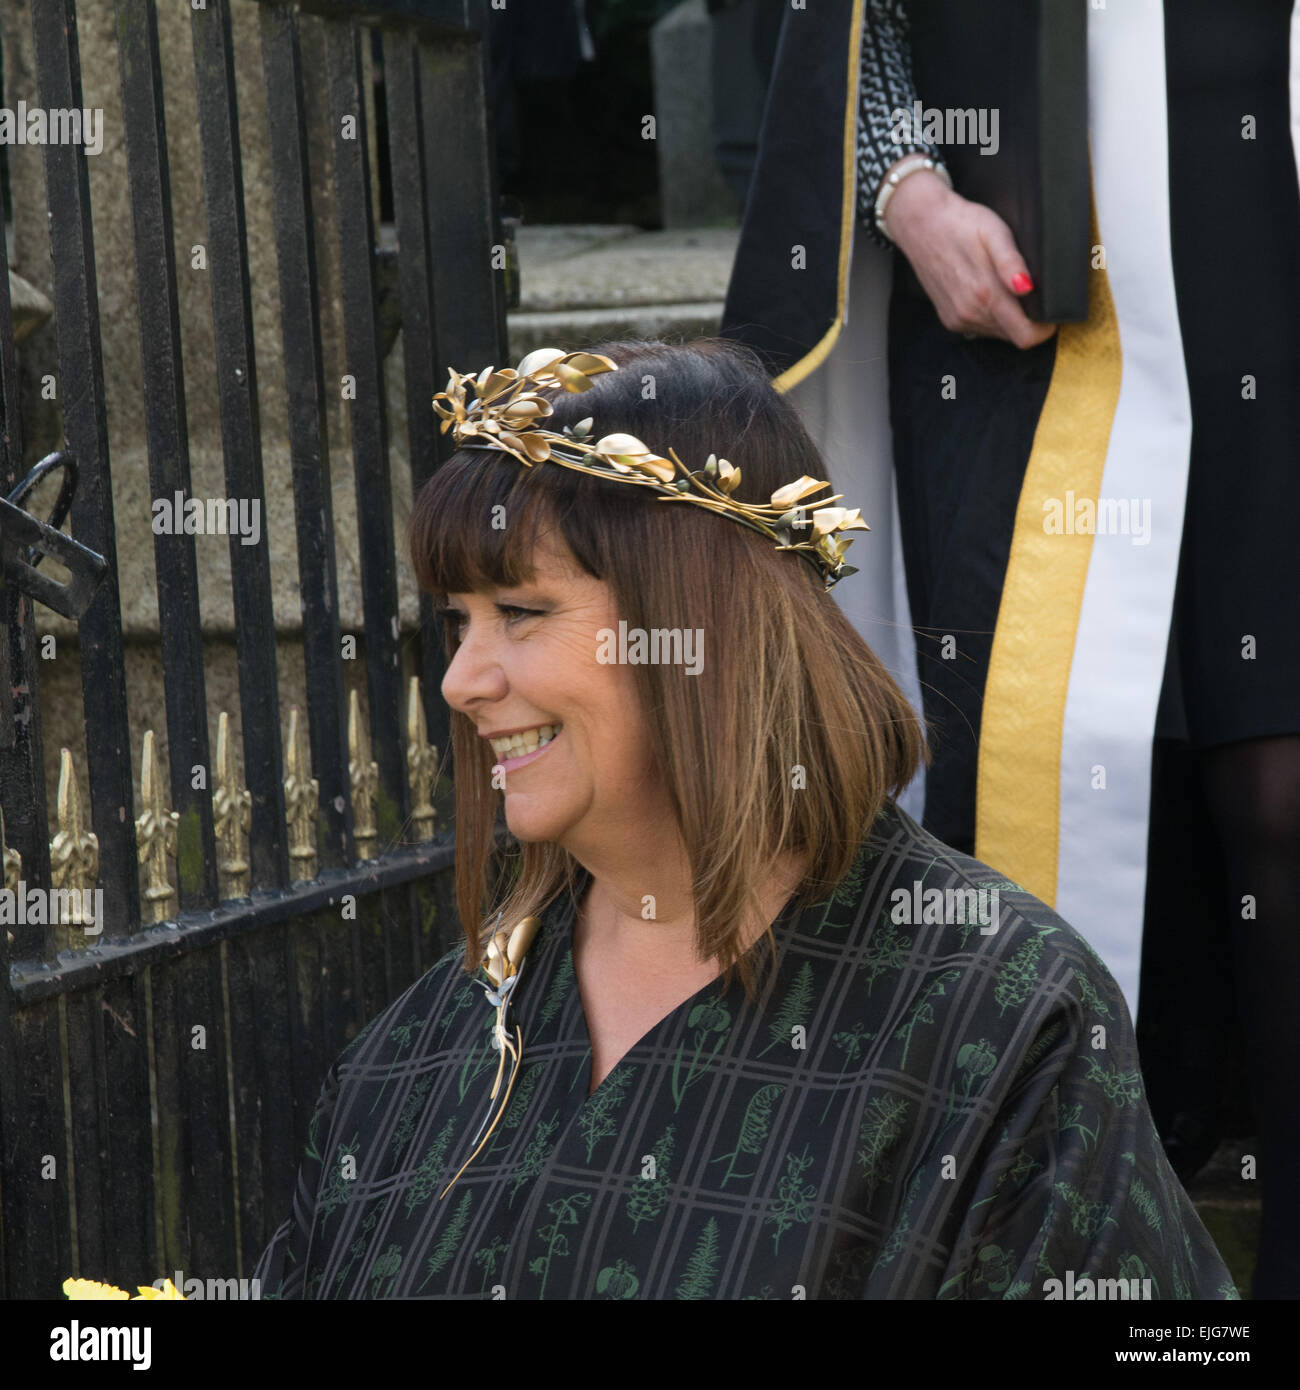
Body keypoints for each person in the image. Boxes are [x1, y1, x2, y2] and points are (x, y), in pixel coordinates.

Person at [252, 338, 1236, 1299]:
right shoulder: (417, 1052)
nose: (462, 681)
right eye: (456, 621)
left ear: (703, 624)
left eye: (522, 611)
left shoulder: (1000, 1015)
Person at [720, 0, 1300, 1299]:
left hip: (1270, 231)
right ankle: (1083, 1241)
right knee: (1055, 756)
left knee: (1279, 779)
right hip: (1022, 281)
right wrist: (908, 189)